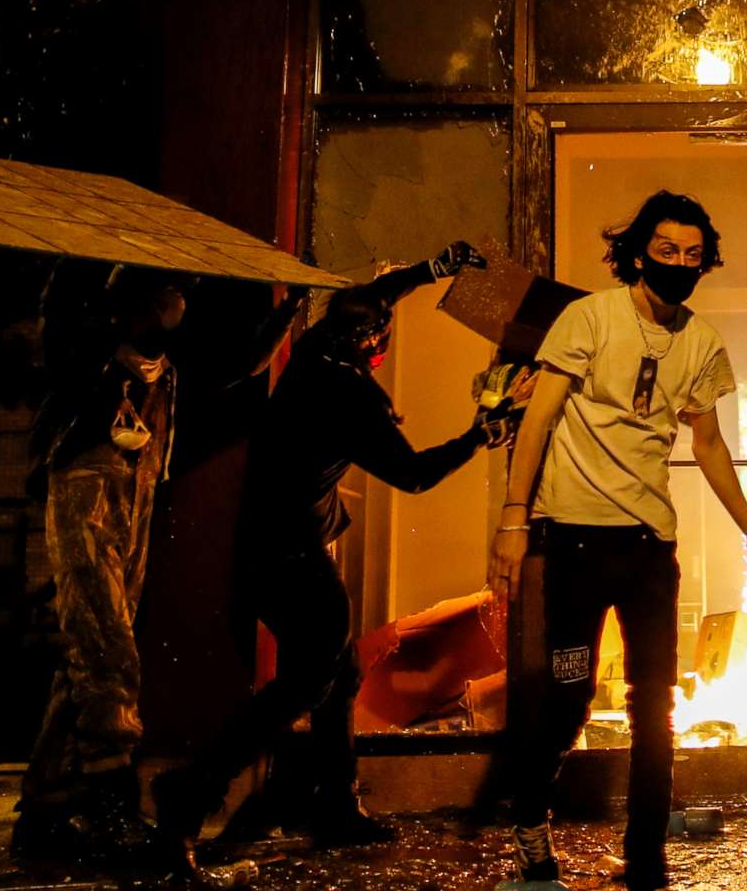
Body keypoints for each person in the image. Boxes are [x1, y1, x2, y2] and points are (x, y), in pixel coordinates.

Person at [152, 241, 503, 860]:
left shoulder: (315, 349)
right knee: (310, 680)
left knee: (337, 674)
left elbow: (372, 302)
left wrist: (432, 268)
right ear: (373, 345)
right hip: (292, 556)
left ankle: (333, 804)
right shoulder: (351, 395)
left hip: (266, 546)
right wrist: (484, 434)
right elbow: (415, 475)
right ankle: (193, 788)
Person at [488, 192, 747, 891]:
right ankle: (531, 828)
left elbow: (707, 444)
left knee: (657, 706)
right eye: (665, 250)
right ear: (637, 252)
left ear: (705, 260)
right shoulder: (588, 317)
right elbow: (539, 419)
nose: (678, 264)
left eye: (691, 254)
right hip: (574, 544)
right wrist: (512, 519)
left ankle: (647, 858)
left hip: (651, 548)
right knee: (570, 693)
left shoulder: (701, 342)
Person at [11, 266, 188, 869]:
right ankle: (113, 801)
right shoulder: (89, 356)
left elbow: (238, 361)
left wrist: (285, 308)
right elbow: (60, 328)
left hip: (133, 498)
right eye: (163, 298)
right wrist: (73, 274)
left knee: (85, 658)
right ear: (134, 308)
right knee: (106, 647)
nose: (176, 305)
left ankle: (45, 808)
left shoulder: (162, 371)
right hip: (89, 489)